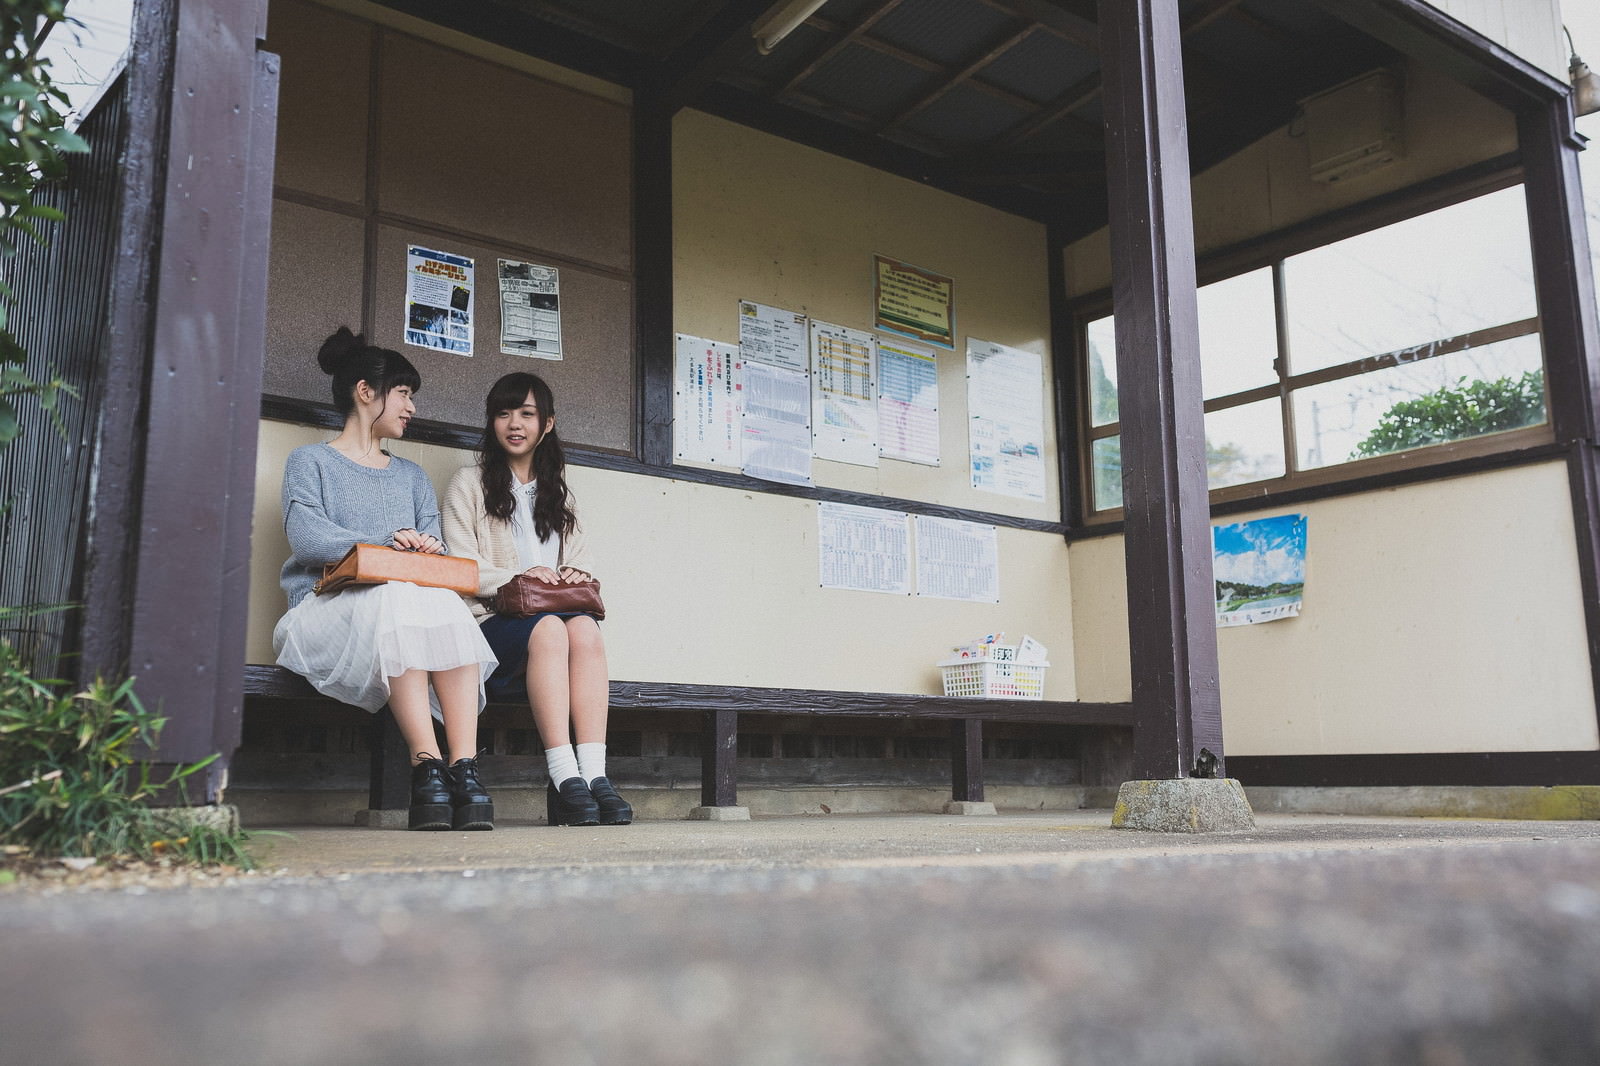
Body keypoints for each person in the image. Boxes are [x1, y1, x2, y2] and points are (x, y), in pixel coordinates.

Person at [274, 327, 499, 832]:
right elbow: (308, 539)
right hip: (322, 609)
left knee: (443, 607)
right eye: (404, 393)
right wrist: (391, 537)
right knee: (401, 601)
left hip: (400, 609)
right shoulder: (309, 462)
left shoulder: (413, 477)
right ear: (365, 392)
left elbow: (431, 547)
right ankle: (427, 766)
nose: (412, 406)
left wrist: (426, 546)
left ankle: (462, 769)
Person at [442, 372, 631, 827]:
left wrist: (572, 573)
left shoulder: (559, 492)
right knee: (550, 629)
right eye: (503, 413)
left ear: (547, 424)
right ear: (491, 422)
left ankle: (596, 777)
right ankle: (565, 777)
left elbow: (583, 563)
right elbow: (459, 567)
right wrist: (521, 575)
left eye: (527, 414)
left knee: (584, 627)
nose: (514, 423)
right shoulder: (468, 484)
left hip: (558, 634)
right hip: (492, 628)